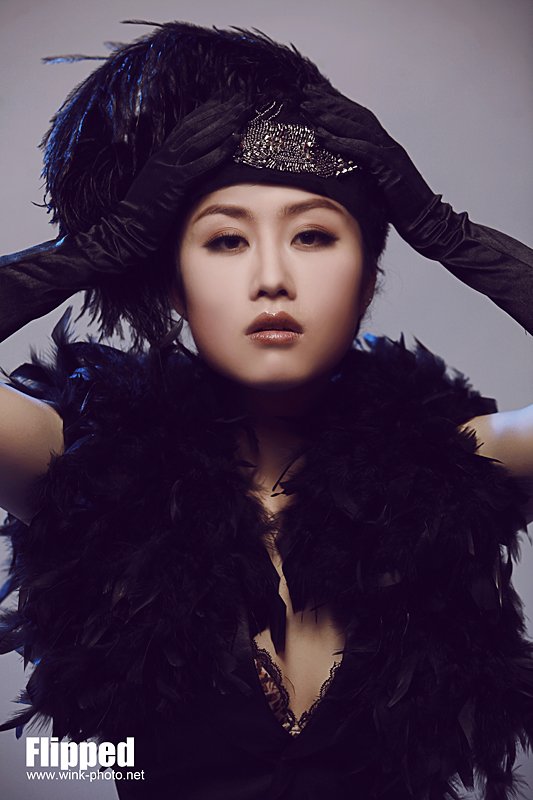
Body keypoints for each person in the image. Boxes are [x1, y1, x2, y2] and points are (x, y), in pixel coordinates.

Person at [0, 20, 532, 800]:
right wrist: (92, 251)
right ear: (172, 280)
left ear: (368, 279)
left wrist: (448, 233)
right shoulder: (78, 467)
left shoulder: (465, 465)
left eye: (313, 236)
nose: (273, 277)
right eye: (225, 242)